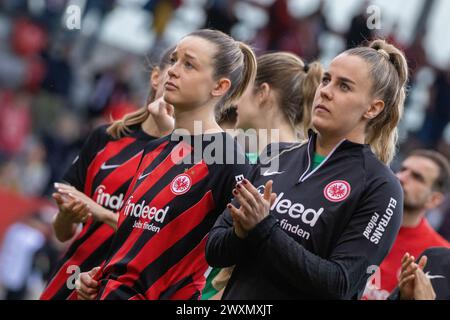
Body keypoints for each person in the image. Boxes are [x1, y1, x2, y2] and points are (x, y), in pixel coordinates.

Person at [205, 39, 408, 299]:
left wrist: (264, 228)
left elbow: (340, 284)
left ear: (373, 108)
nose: (325, 91)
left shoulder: (382, 187)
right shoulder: (276, 154)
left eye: (344, 86)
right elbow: (214, 250)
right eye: (326, 80)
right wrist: (240, 233)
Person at [74, 29, 257, 300]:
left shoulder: (228, 159)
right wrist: (98, 277)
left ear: (219, 87)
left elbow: (241, 254)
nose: (172, 70)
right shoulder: (154, 148)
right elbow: (136, 240)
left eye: (189, 64)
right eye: (174, 60)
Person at [39, 47, 175, 300]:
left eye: (189, 69)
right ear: (156, 77)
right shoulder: (106, 137)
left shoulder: (188, 159)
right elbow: (63, 232)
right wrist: (68, 215)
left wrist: (100, 211)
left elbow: (160, 237)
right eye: (173, 70)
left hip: (125, 291)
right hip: (69, 279)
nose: (177, 81)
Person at [201, 52, 323, 300]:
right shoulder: (266, 157)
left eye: (242, 90)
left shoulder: (278, 165)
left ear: (262, 92)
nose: (234, 102)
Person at [363, 150, 450, 300]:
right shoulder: (357, 219)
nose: (400, 177)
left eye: (417, 177)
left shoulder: (441, 257)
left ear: (434, 199)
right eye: (402, 169)